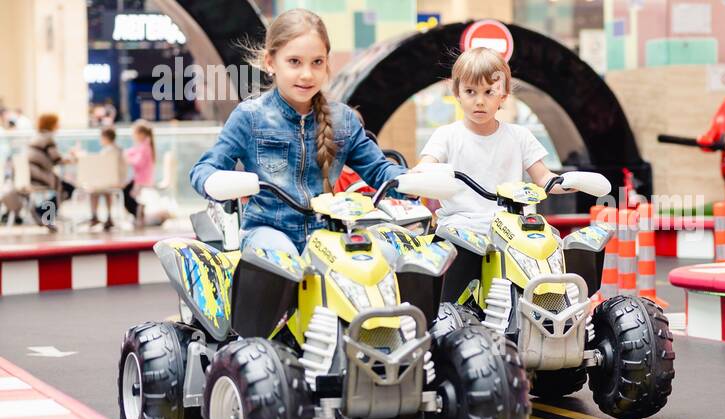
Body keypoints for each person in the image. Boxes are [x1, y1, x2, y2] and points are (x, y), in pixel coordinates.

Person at [187, 8, 412, 255]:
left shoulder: (343, 119)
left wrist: (413, 181)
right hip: (267, 231)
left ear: (327, 63)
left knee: (385, 255)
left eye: (317, 62)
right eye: (294, 61)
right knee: (281, 255)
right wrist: (214, 180)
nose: (306, 74)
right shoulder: (250, 116)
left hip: (327, 233)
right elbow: (203, 170)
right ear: (270, 62)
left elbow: (380, 170)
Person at [408, 46, 607, 303]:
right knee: (450, 294)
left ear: (503, 94)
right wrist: (420, 176)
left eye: (489, 92)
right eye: (470, 91)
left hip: (513, 228)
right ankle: (448, 318)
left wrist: (572, 182)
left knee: (550, 247)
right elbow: (426, 167)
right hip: (463, 227)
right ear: (456, 92)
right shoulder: (447, 136)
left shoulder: (519, 136)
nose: (479, 100)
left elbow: (545, 179)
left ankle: (559, 310)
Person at [26, 114, 77, 231]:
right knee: (68, 189)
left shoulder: (37, 137)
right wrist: (73, 158)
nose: (59, 125)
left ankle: (43, 212)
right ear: (52, 124)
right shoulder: (48, 139)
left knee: (63, 187)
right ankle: (43, 213)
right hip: (39, 175)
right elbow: (57, 159)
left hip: (32, 174)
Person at [88, 126, 126, 230]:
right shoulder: (119, 150)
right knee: (105, 191)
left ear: (105, 137)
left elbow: (102, 169)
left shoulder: (107, 151)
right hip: (118, 181)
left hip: (111, 182)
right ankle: (109, 217)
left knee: (94, 190)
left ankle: (94, 216)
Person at [123, 120, 155, 228]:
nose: (133, 136)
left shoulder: (145, 147)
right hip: (139, 178)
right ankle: (138, 212)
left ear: (141, 134)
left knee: (125, 193)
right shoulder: (144, 145)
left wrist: (127, 159)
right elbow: (132, 152)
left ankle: (138, 212)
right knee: (125, 191)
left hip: (142, 180)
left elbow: (138, 162)